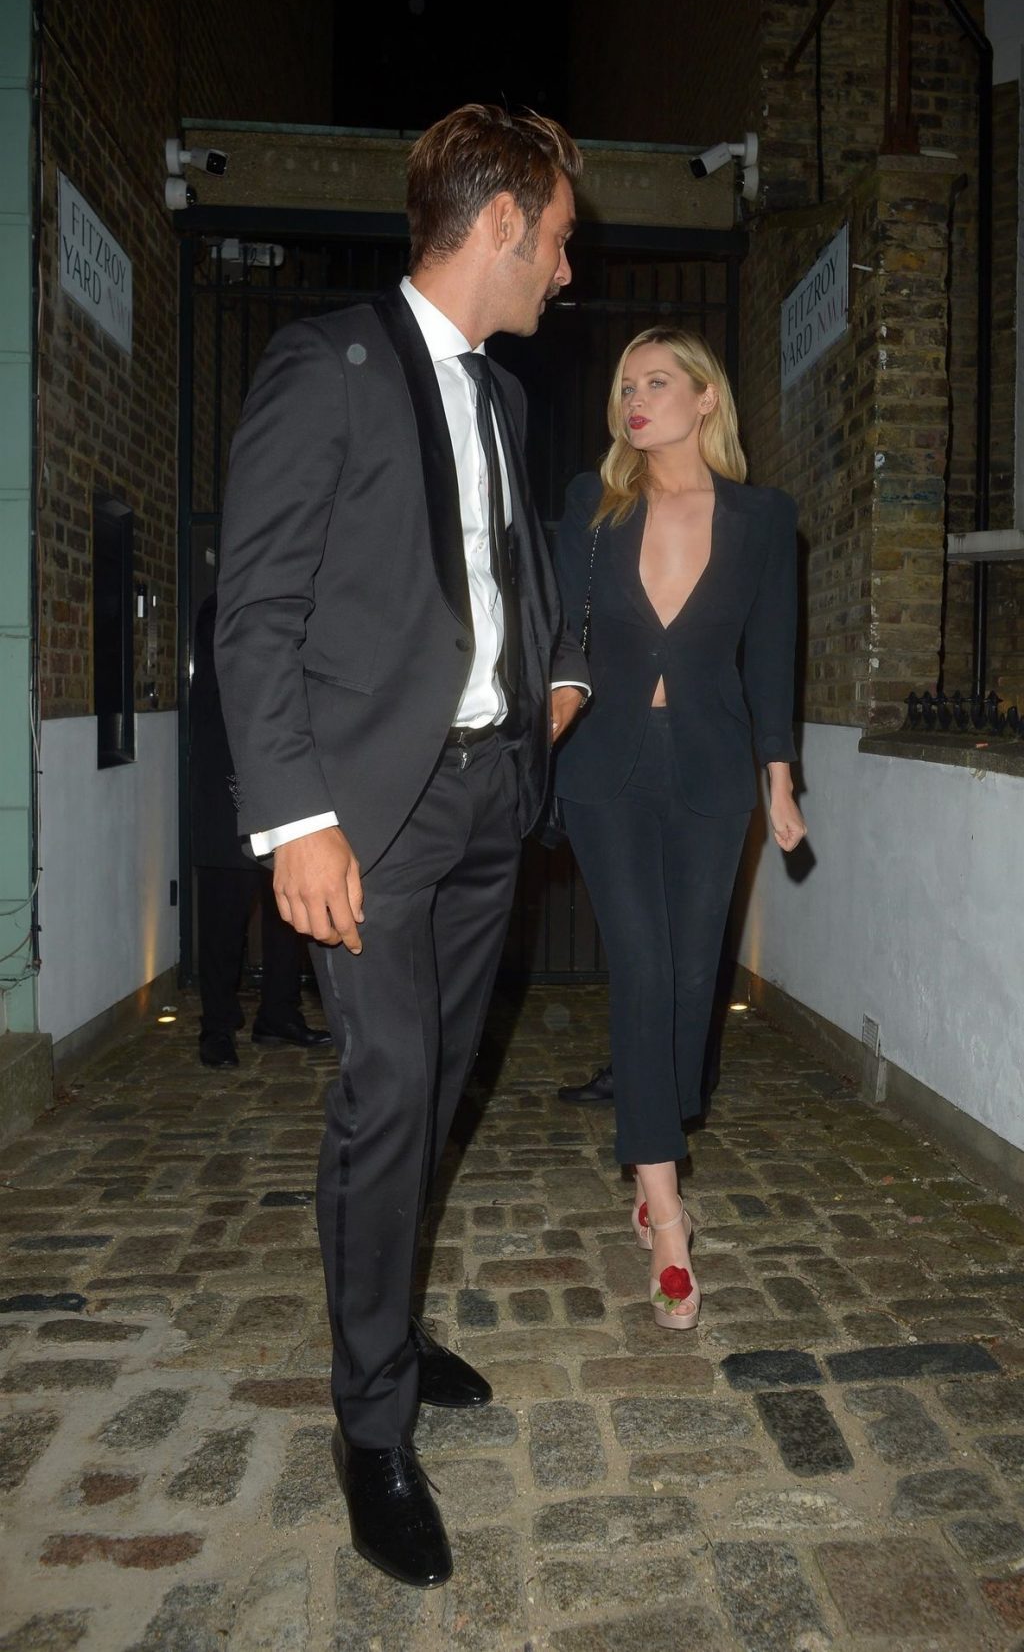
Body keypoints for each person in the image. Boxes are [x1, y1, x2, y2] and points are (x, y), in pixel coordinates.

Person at [215, 104, 587, 1589]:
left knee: (433, 1089)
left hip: (491, 795)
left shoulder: (500, 397)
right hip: (373, 810)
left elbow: (502, 574)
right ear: (500, 224)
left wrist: (552, 681)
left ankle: (390, 1326)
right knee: (389, 1094)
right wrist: (296, 818)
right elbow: (257, 610)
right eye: (558, 240)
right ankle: (371, 1425)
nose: (567, 270)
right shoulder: (329, 366)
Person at [553, 326, 806, 1333]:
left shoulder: (761, 518)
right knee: (645, 969)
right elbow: (561, 629)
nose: (635, 398)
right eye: (626, 383)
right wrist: (550, 702)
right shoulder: (594, 504)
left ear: (706, 398)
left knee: (695, 981)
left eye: (657, 381)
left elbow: (772, 655)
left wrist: (779, 777)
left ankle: (656, 1145)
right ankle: (665, 1218)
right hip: (603, 770)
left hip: (711, 770)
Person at [190, 594, 333, 1068]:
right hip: (227, 784)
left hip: (280, 781)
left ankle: (279, 1013)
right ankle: (217, 1025)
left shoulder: (293, 603)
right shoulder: (221, 611)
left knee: (287, 910)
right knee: (223, 914)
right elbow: (241, 685)